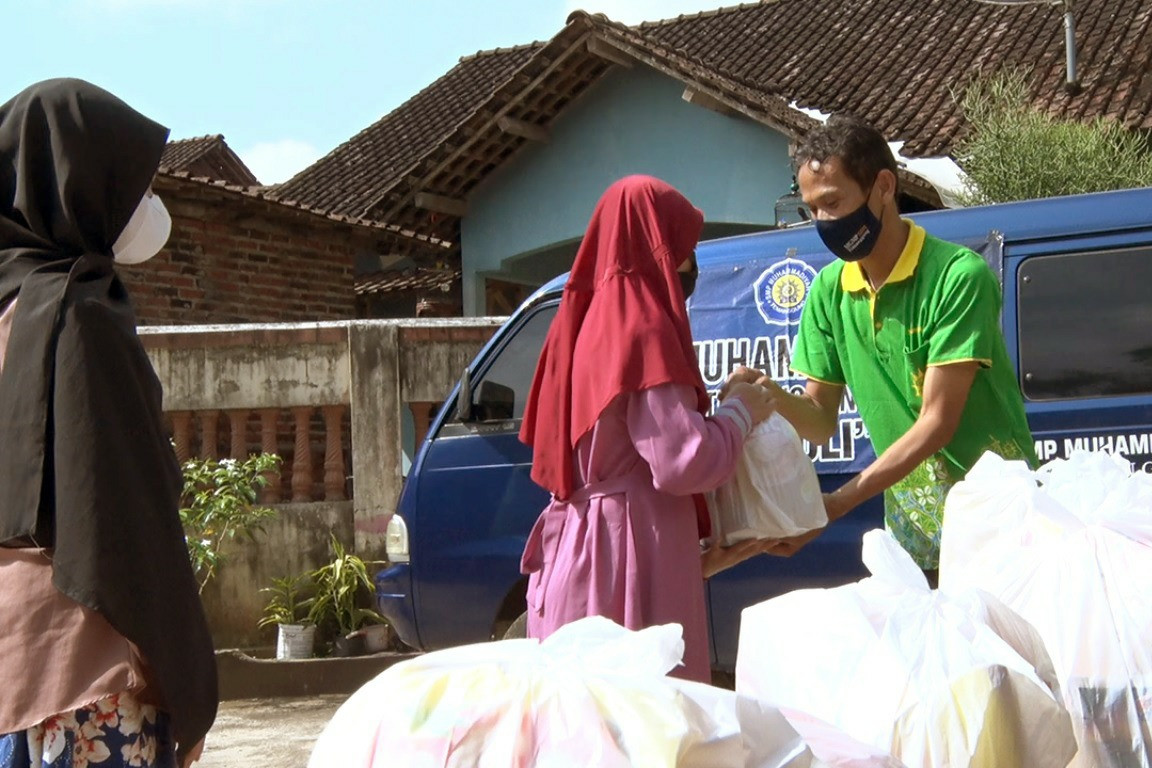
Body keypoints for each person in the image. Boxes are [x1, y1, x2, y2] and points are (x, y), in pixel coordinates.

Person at [0, 79, 217, 767]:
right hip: (85, 674)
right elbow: (127, 517)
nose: (145, 205)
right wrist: (186, 681)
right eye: (132, 182)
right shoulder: (82, 316)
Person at [727, 115, 1037, 579]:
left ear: (884, 186)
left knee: (1010, 651)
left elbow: (937, 422)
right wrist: (768, 395)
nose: (824, 222)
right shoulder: (830, 291)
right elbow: (818, 422)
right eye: (811, 209)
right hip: (916, 527)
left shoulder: (958, 276)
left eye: (833, 202)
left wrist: (836, 504)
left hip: (1000, 518)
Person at [518, 174, 776, 684]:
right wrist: (741, 411)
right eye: (685, 247)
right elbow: (683, 460)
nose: (689, 263)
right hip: (628, 554)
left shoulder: (578, 320)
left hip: (578, 548)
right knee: (648, 731)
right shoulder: (642, 325)